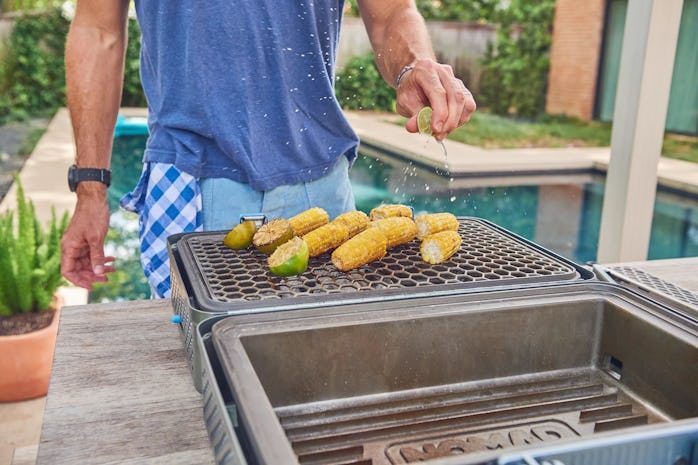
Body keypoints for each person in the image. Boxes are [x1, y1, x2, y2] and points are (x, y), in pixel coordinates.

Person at [60, 0, 476, 298]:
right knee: (194, 380)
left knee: (326, 365)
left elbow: (390, 14)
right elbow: (98, 31)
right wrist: (91, 188)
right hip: (189, 182)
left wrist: (413, 64)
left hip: (321, 190)